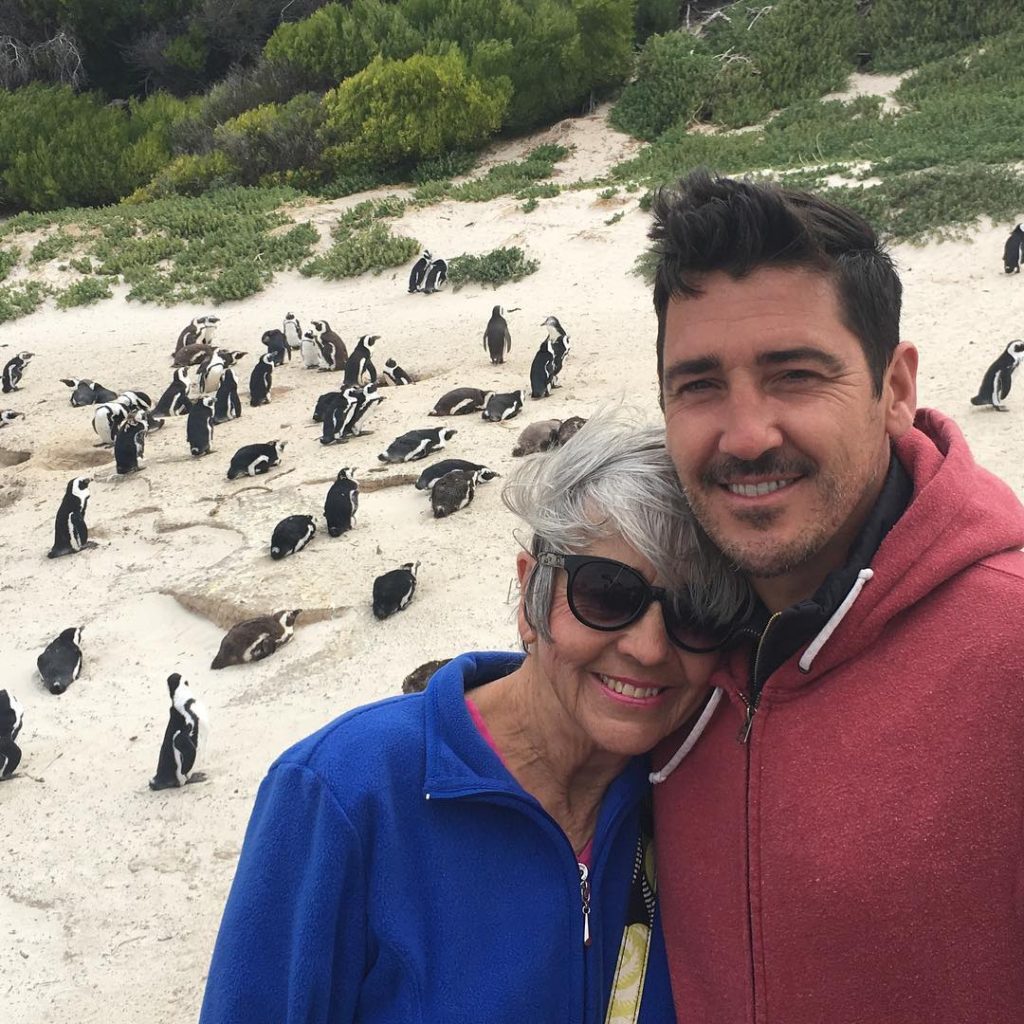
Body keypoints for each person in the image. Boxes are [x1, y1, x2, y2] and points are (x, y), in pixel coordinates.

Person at [197, 408, 748, 1024]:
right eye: (606, 594)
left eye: (698, 609)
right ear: (530, 597)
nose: (649, 648)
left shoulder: (707, 795)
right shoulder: (345, 792)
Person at [647, 169, 1024, 1024]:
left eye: (796, 375)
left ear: (895, 389)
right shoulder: (655, 648)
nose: (745, 435)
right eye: (699, 384)